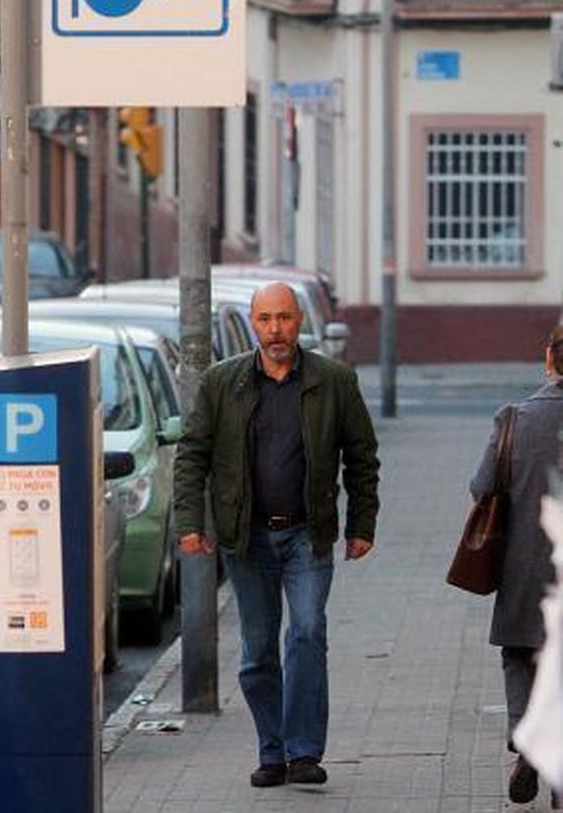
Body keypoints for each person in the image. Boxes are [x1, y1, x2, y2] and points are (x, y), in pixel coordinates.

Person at [173, 282, 380, 790]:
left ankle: (304, 752)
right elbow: (192, 454)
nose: (275, 330)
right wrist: (189, 524)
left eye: (284, 318)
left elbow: (362, 456)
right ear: (252, 323)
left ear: (298, 322)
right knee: (257, 651)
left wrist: (361, 525)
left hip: (308, 536)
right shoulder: (225, 383)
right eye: (266, 320)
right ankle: (273, 751)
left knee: (307, 632)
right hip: (248, 541)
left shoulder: (333, 381)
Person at [470, 325, 563, 806]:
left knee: (521, 656)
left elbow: (482, 486)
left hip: (525, 567)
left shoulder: (514, 419)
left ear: (550, 358)